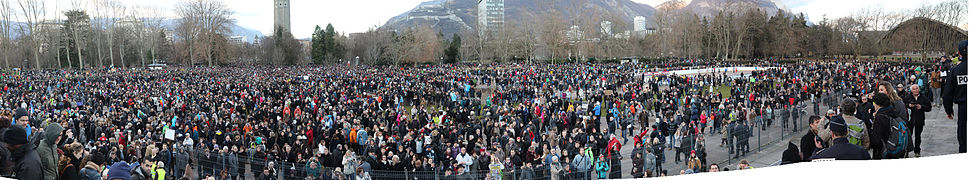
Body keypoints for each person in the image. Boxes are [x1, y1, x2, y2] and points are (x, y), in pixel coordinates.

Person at [942, 40, 967, 153]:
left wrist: (948, 110)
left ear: (959, 53)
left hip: (963, 108)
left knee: (964, 139)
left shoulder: (955, 70)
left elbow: (947, 94)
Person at [904, 84, 932, 157]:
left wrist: (921, 107)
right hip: (910, 120)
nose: (916, 90)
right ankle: (906, 151)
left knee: (918, 137)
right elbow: (903, 105)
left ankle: (917, 150)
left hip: (919, 120)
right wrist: (908, 105)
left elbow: (929, 108)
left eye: (917, 88)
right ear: (911, 90)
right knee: (908, 136)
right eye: (914, 89)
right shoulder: (907, 97)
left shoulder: (923, 97)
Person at [871, 93, 898, 159]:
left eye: (874, 102)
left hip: (883, 151)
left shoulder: (880, 117)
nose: (873, 105)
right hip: (893, 146)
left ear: (879, 104)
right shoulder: (892, 111)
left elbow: (876, 140)